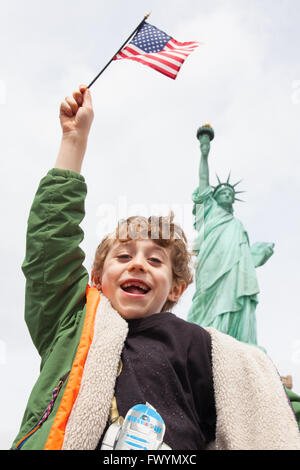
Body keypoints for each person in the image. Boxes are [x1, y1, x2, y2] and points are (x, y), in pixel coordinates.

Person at [12, 87, 300, 450]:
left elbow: (267, 407)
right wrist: (74, 140)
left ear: (176, 288)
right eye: (123, 256)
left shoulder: (202, 346)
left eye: (154, 260)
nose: (138, 264)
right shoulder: (70, 324)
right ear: (98, 279)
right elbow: (48, 247)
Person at [188, 125, 274, 348]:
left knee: (237, 295)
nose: (227, 193)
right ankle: (207, 339)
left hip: (235, 273)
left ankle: (240, 342)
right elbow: (203, 180)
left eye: (230, 193)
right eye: (222, 192)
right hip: (211, 265)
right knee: (208, 299)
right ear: (214, 197)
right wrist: (204, 152)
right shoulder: (209, 211)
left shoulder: (237, 225)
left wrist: (257, 255)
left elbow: (245, 259)